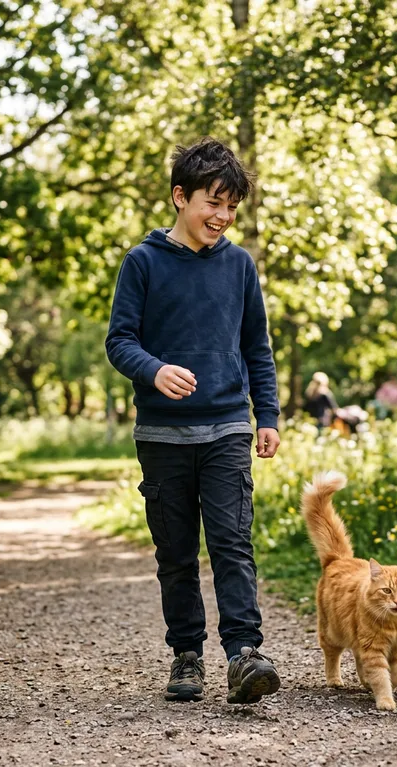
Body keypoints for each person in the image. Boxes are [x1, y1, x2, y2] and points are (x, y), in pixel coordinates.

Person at [105, 138, 282, 705]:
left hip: (227, 425)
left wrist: (267, 415)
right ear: (181, 197)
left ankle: (244, 655)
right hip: (162, 435)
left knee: (232, 542)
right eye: (213, 202)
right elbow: (119, 341)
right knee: (176, 553)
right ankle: (186, 654)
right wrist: (154, 370)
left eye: (232, 206)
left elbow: (257, 347)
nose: (223, 216)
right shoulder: (143, 262)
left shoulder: (239, 265)